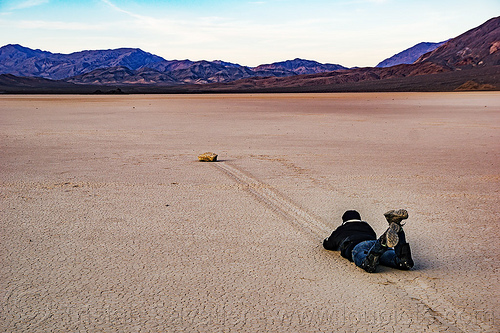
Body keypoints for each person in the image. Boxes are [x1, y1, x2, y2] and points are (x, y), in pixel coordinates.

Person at [323, 209, 414, 273]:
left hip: (357, 246)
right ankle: (398, 230)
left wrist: (327, 240)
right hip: (372, 242)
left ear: (344, 221)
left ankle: (382, 242)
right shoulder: (366, 226)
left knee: (367, 264)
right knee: (400, 262)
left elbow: (328, 244)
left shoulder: (342, 228)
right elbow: (373, 235)